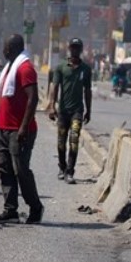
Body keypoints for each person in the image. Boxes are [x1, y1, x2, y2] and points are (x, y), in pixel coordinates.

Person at [0, 34, 44, 225]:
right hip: (4, 128)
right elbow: (5, 97)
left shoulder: (25, 68)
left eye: (5, 47)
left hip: (19, 130)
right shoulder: (9, 69)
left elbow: (33, 98)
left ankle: (35, 207)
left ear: (11, 48)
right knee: (5, 168)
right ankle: (10, 209)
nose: (3, 50)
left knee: (21, 171)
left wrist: (23, 127)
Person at [46, 37, 92, 184]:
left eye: (77, 48)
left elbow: (88, 90)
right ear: (69, 49)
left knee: (73, 140)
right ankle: (62, 167)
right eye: (72, 47)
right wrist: (52, 106)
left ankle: (70, 171)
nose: (75, 50)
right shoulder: (61, 67)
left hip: (77, 111)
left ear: (80, 50)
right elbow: (55, 87)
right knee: (61, 141)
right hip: (63, 111)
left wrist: (88, 110)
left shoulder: (86, 69)